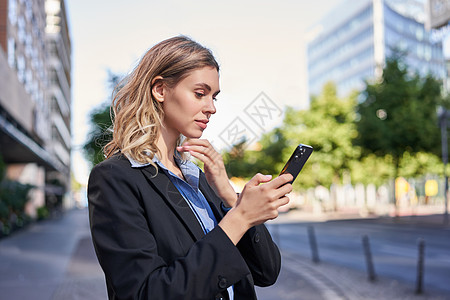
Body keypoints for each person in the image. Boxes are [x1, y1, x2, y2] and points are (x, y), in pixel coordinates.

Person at [88, 35, 293, 300]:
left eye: (214, 97)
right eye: (200, 93)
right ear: (160, 90)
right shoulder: (115, 178)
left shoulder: (199, 178)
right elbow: (145, 293)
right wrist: (239, 218)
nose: (211, 108)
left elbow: (267, 272)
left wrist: (231, 197)